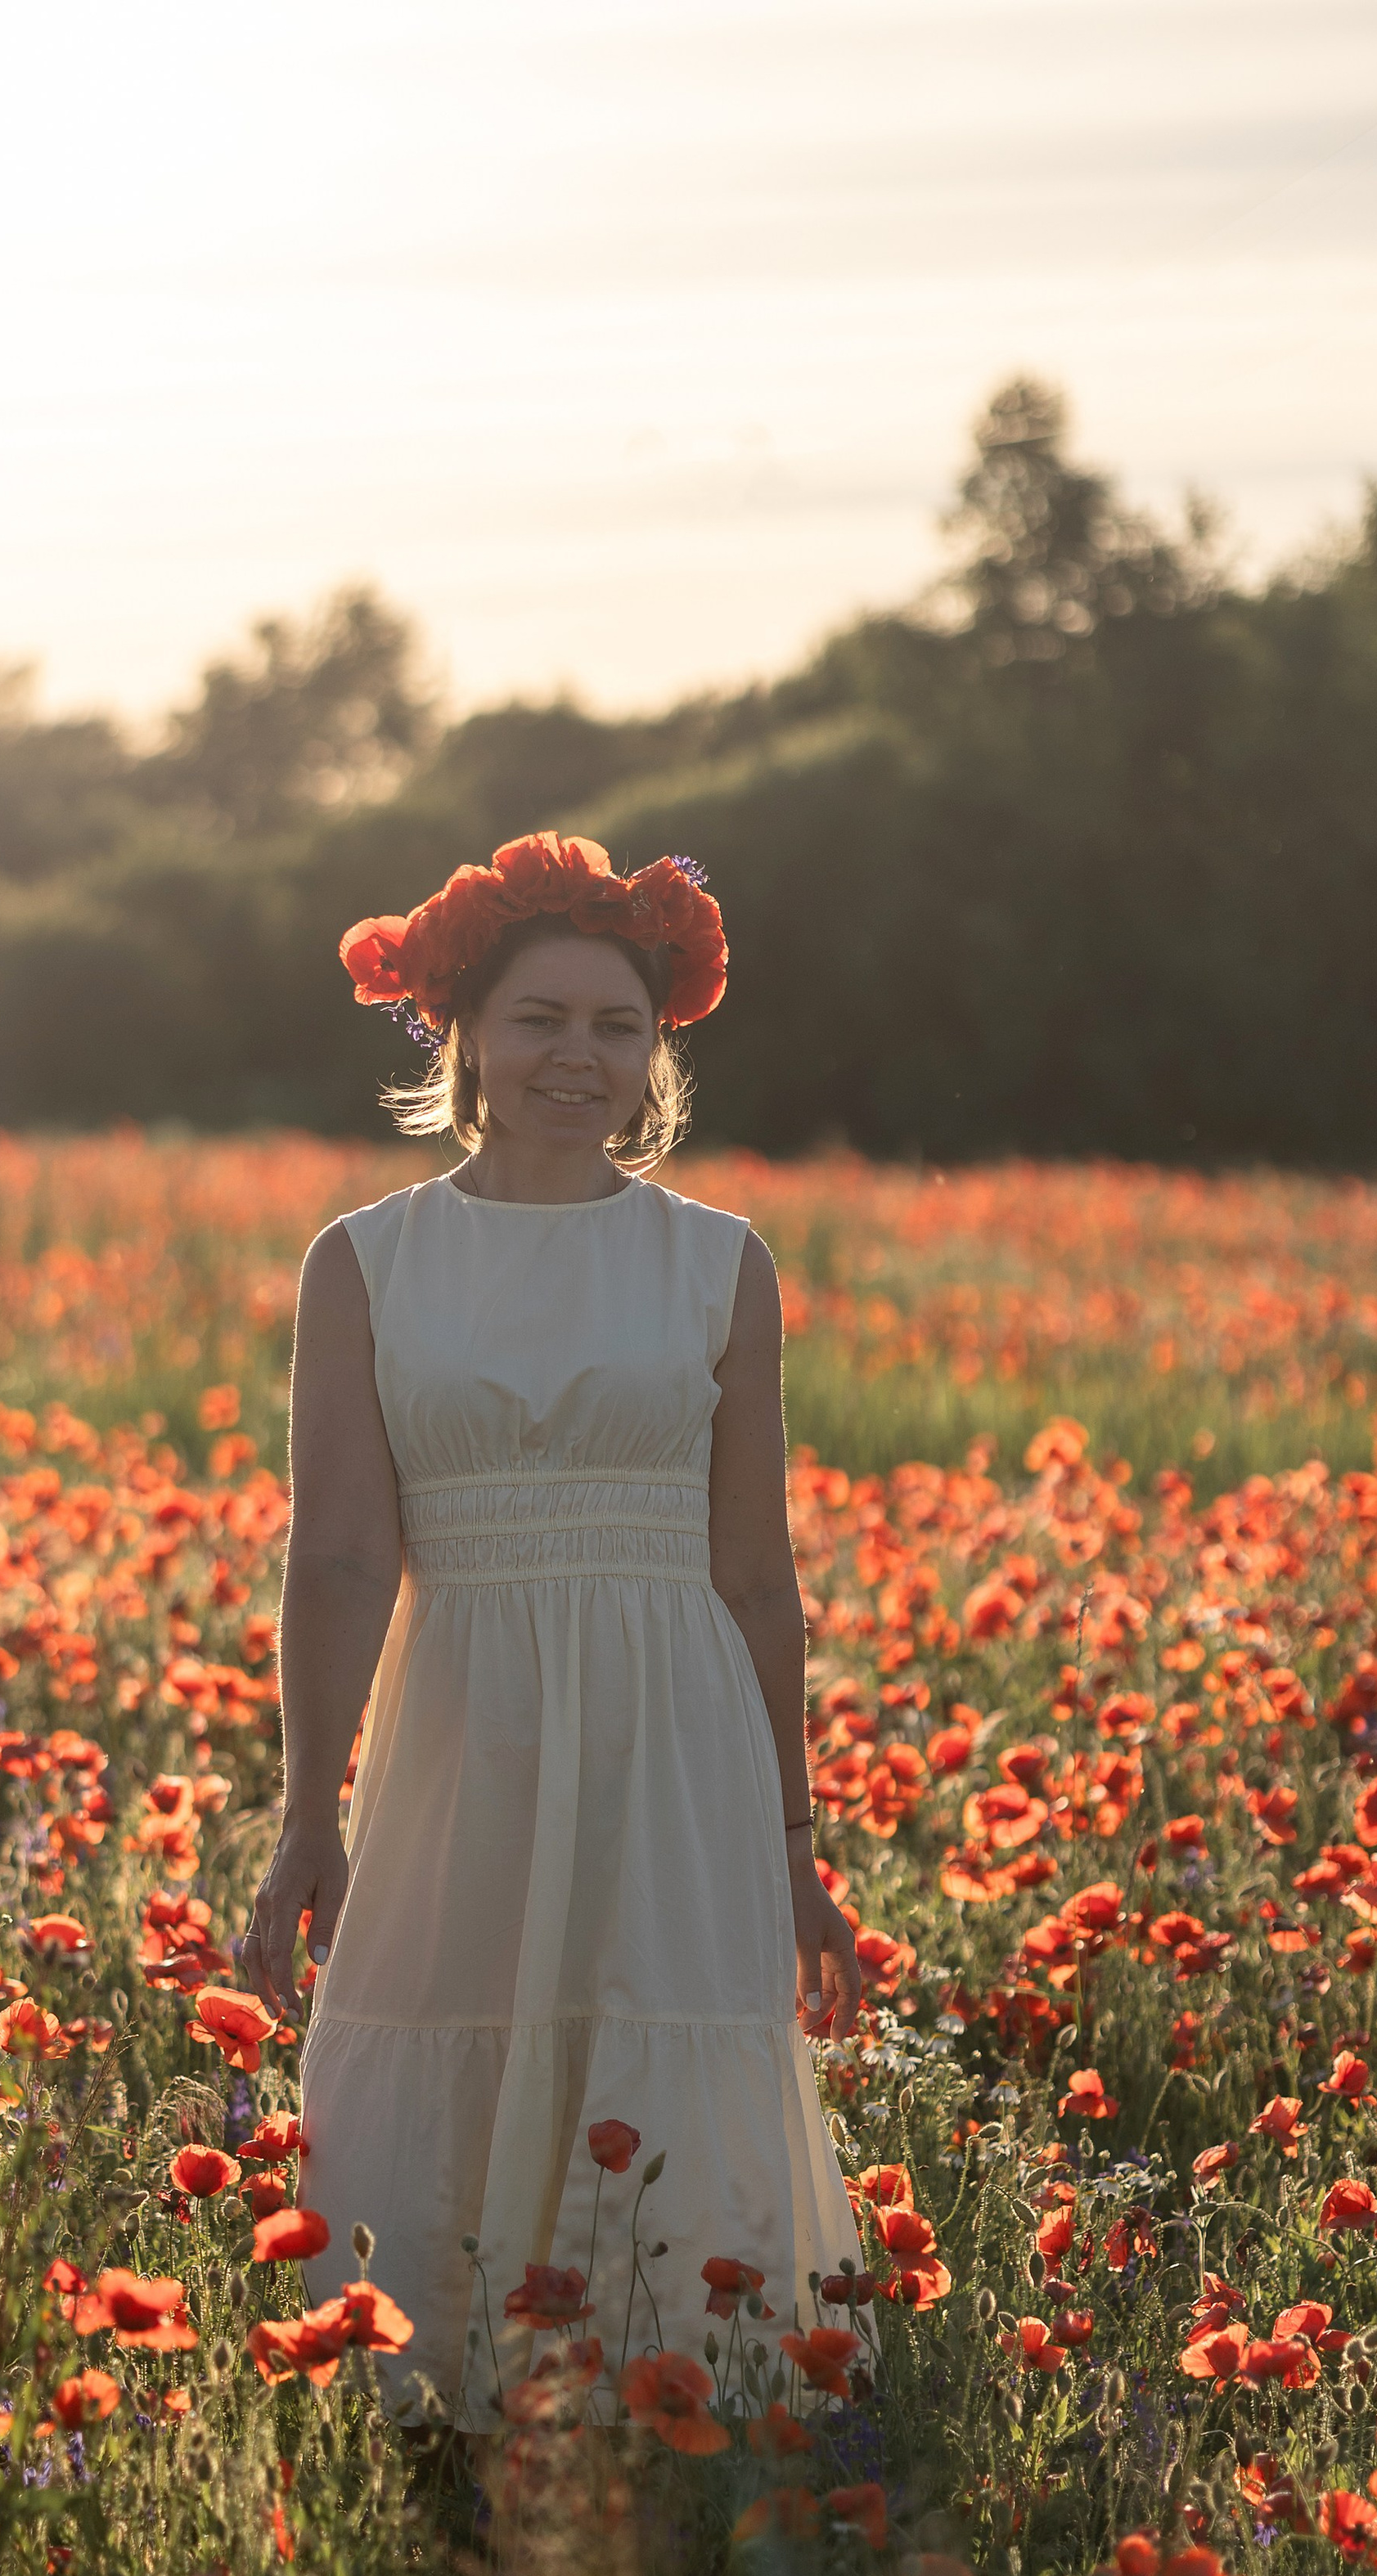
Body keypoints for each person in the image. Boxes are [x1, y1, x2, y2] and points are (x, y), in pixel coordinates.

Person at [239, 834, 863, 2422]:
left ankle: (667, 2383)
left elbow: (754, 1574)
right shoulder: (365, 1262)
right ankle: (438, 2394)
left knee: (652, 2018)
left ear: (655, 1052)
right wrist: (307, 1813)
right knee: (449, 2015)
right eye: (539, 1019)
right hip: (463, 1714)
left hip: (675, 1724)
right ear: (463, 1037)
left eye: (614, 1025)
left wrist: (792, 1843)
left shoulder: (718, 1262)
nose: (576, 1056)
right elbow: (339, 1557)